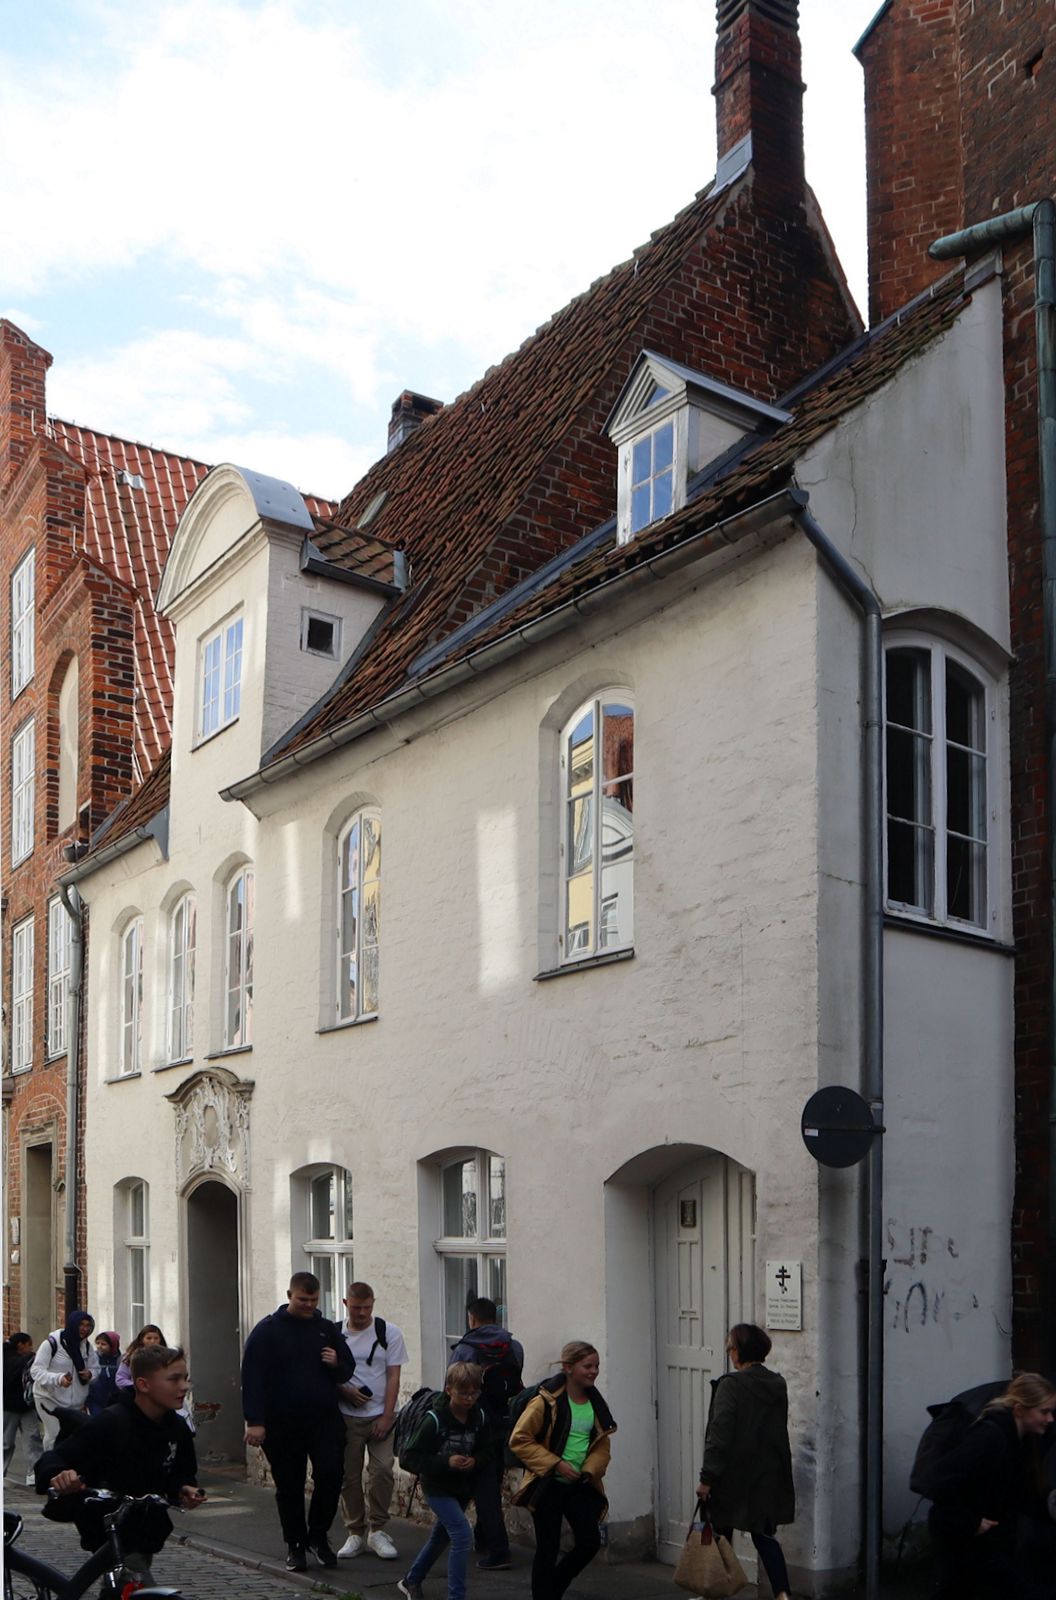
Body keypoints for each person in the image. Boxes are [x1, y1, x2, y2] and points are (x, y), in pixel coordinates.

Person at [35, 1343, 204, 1584]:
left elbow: (181, 1472)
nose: (184, 1387)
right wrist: (59, 1475)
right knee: (136, 1582)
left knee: (121, 1586)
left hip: (147, 1528)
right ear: (143, 1385)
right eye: (174, 1380)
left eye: (185, 1379)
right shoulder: (112, 1422)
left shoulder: (177, 1428)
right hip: (107, 1526)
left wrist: (184, 1488)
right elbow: (55, 1458)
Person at [241, 1270, 354, 1572]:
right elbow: (251, 1376)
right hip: (282, 1423)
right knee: (289, 1485)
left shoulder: (326, 1329)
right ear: (290, 1296)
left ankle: (318, 1536)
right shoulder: (268, 1330)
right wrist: (254, 1420)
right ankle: (295, 1544)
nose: (308, 1305)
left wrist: (336, 1363)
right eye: (303, 1299)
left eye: (314, 1300)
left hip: (324, 1420)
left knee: (330, 1475)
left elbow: (346, 1370)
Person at [926, 1370, 1056, 1599]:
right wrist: (970, 1522)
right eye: (1043, 1412)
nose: (1050, 1419)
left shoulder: (1023, 1440)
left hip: (986, 1539)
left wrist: (1050, 1502)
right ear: (1020, 1410)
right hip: (964, 1538)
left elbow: (1021, 1490)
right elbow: (938, 1479)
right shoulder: (989, 1437)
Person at [509, 1339, 616, 1600]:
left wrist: (589, 1470)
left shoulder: (595, 1404)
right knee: (548, 1548)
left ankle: (552, 1589)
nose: (594, 1371)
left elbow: (602, 1445)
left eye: (597, 1366)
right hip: (548, 1484)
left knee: (590, 1542)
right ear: (568, 1367)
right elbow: (519, 1439)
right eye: (587, 1366)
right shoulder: (545, 1401)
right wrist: (556, 1464)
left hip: (579, 1484)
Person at [697, 1323, 794, 1600]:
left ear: (739, 1351)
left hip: (732, 1474)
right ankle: (783, 1595)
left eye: (731, 1347)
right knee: (763, 1535)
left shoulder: (731, 1385)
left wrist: (707, 1478)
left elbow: (720, 1435)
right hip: (766, 1473)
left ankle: (716, 1592)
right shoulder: (777, 1384)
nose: (729, 1352)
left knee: (720, 1530)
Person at [397, 1360, 495, 1600]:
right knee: (462, 1535)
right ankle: (456, 1596)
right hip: (437, 1487)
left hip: (462, 1487)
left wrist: (476, 1460)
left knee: (440, 1538)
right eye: (463, 1393)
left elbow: (489, 1449)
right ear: (449, 1390)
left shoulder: (480, 1417)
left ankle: (411, 1580)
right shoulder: (434, 1420)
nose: (469, 1399)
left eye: (474, 1393)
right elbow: (409, 1457)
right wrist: (445, 1462)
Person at [448, 1294, 524, 1570]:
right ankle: (481, 1537)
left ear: (472, 1319)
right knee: (492, 1479)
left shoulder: (466, 1349)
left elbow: (453, 1386)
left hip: (474, 1425)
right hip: (504, 1423)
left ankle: (499, 1550)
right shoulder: (513, 1347)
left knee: (484, 1490)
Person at [335, 1280, 408, 1561]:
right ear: (346, 1305)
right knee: (349, 1477)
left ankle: (378, 1529)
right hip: (346, 1417)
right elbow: (326, 1374)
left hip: (380, 1414)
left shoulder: (389, 1333)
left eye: (366, 1308)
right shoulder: (335, 1334)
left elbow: (393, 1376)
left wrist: (388, 1416)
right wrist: (345, 1391)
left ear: (373, 1304)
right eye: (355, 1308)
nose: (361, 1314)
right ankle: (355, 1532)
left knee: (382, 1472)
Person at [31, 1309, 99, 1449]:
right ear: (73, 1324)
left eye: (88, 1325)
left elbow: (96, 1368)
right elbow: (36, 1371)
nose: (85, 1329)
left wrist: (90, 1374)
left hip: (75, 1403)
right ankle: (50, 1467)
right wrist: (58, 1379)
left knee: (72, 1437)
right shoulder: (52, 1343)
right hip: (49, 1398)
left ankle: (66, 1467)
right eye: (81, 1325)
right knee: (55, 1435)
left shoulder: (86, 1346)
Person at [3, 1331, 43, 1482]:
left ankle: (35, 1472)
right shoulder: (7, 1357)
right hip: (9, 1405)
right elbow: (10, 1374)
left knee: (33, 1438)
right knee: (6, 1441)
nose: (30, 1348)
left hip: (26, 1405)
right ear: (20, 1345)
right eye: (29, 1345)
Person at [115, 1325, 166, 1389]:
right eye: (149, 1338)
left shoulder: (166, 1357)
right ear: (142, 1339)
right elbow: (120, 1379)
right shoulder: (130, 1356)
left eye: (156, 1338)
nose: (152, 1341)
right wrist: (139, 1386)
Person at [87, 1332, 121, 1416]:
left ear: (113, 1345)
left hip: (115, 1400)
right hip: (95, 1400)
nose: (99, 1346)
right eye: (97, 1343)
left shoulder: (121, 1359)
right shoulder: (93, 1357)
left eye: (103, 1344)